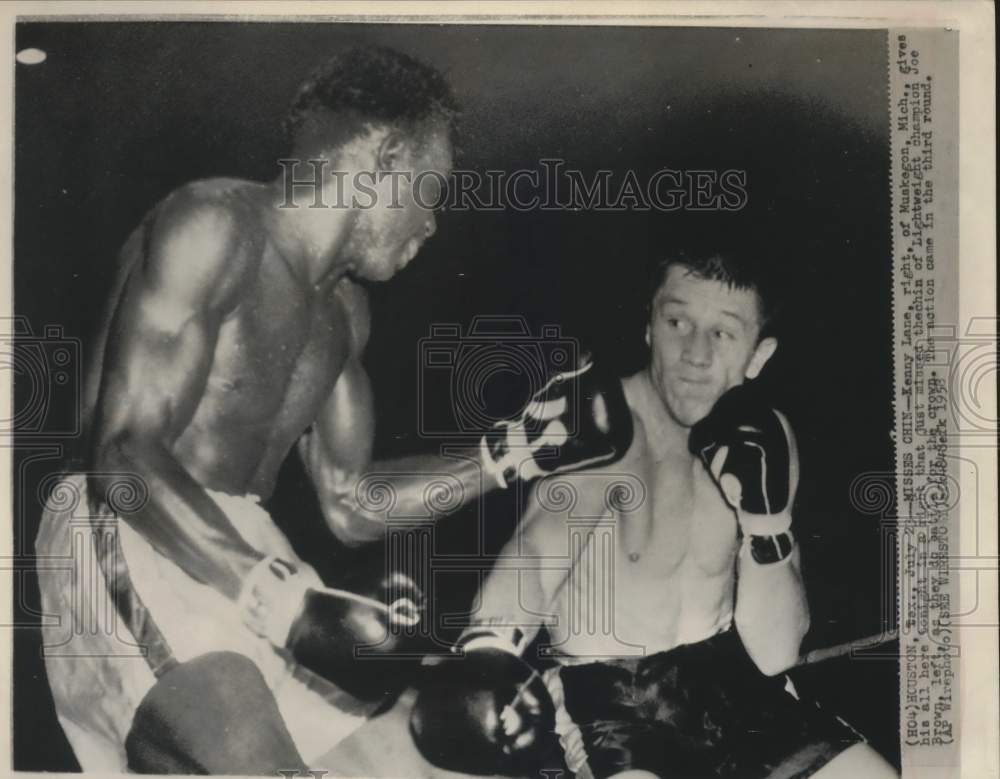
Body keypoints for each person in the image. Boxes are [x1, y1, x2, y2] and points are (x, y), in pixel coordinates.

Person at [34, 46, 632, 774]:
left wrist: (512, 453)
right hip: (130, 517)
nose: (433, 224)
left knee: (413, 760)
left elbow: (353, 502)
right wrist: (266, 589)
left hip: (246, 542)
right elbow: (123, 449)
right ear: (383, 161)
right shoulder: (214, 222)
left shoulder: (345, 314)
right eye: (431, 190)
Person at [410, 248, 899, 778]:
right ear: (650, 327)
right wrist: (489, 650)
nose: (694, 353)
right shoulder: (604, 427)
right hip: (613, 700)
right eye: (677, 322)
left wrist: (767, 525)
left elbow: (775, 652)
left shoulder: (768, 436)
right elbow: (537, 550)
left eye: (723, 333)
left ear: (759, 356)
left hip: (731, 678)